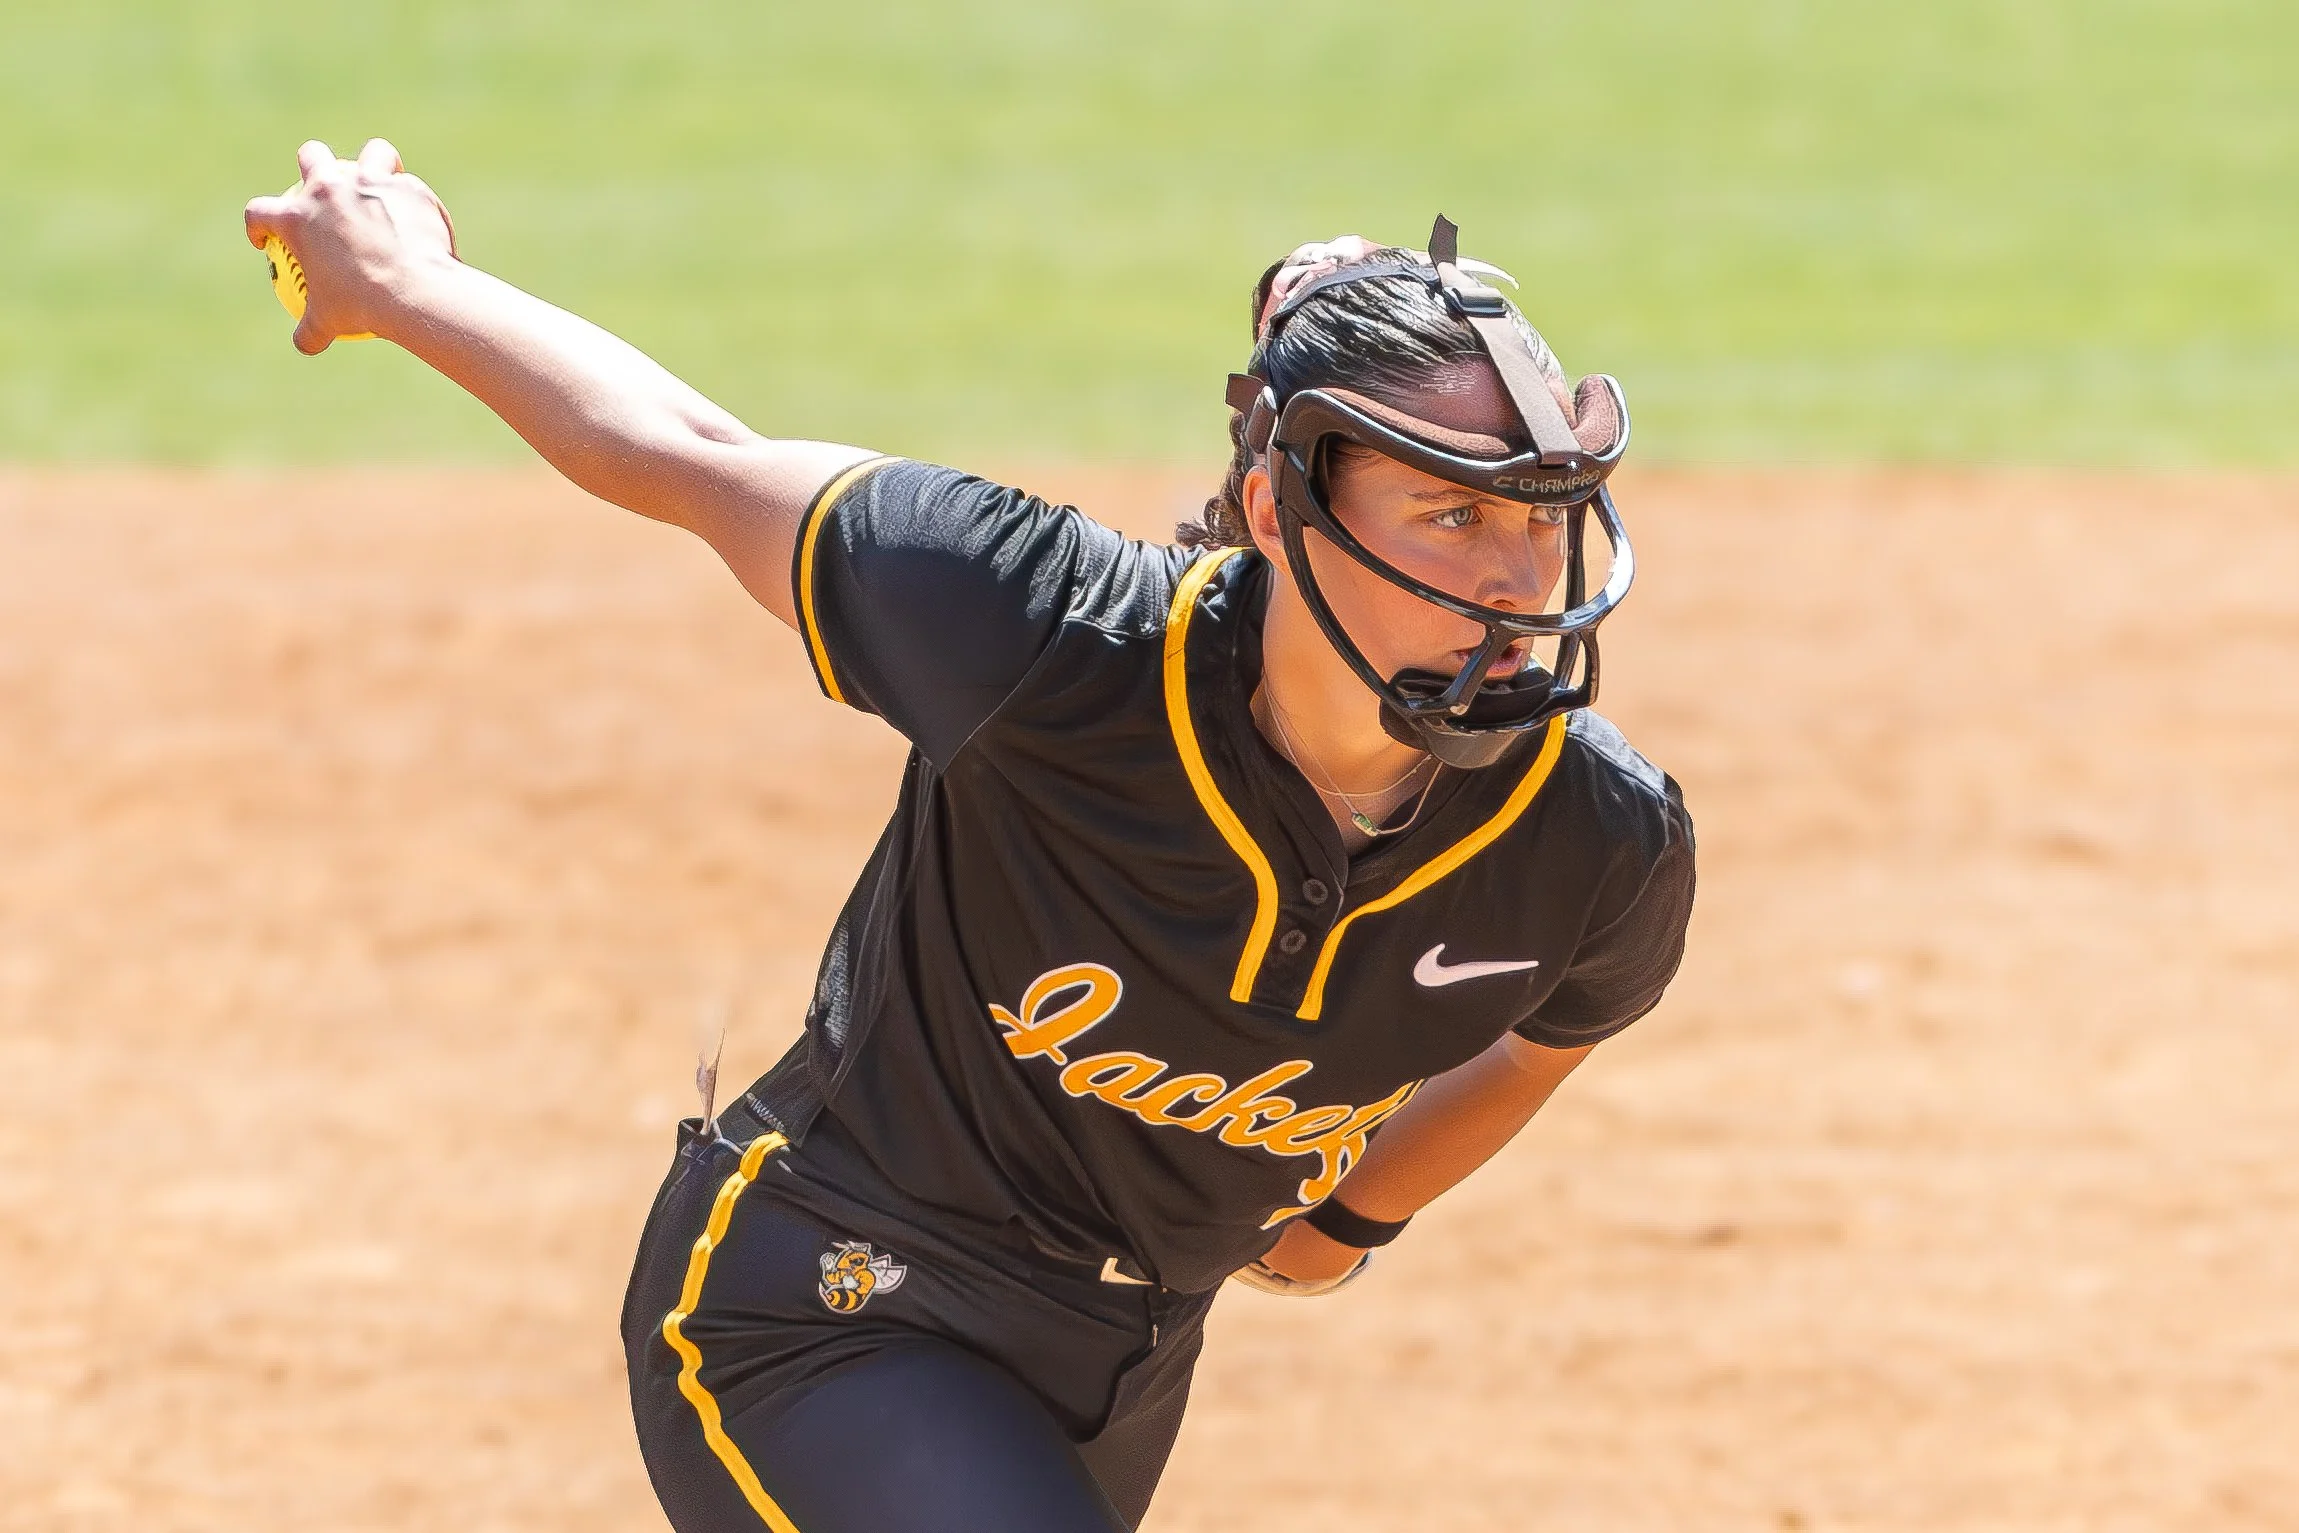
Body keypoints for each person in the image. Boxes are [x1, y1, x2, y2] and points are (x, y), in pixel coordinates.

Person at [244, 139, 1696, 1533]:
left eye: (1543, 517)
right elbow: (682, 453)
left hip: (1112, 1377)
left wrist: (1345, 1224)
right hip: (826, 1309)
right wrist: (404, 279)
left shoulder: (1595, 840)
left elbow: (1552, 1030)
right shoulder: (1037, 636)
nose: (1517, 580)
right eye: (1449, 515)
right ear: (1276, 508)